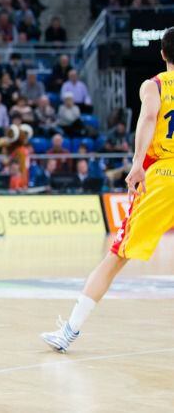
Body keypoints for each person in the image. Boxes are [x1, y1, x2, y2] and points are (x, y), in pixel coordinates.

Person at [41, 27, 174, 352]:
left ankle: (69, 332)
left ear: (162, 54)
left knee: (115, 258)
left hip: (164, 174)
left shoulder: (155, 85)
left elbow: (147, 119)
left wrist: (137, 164)